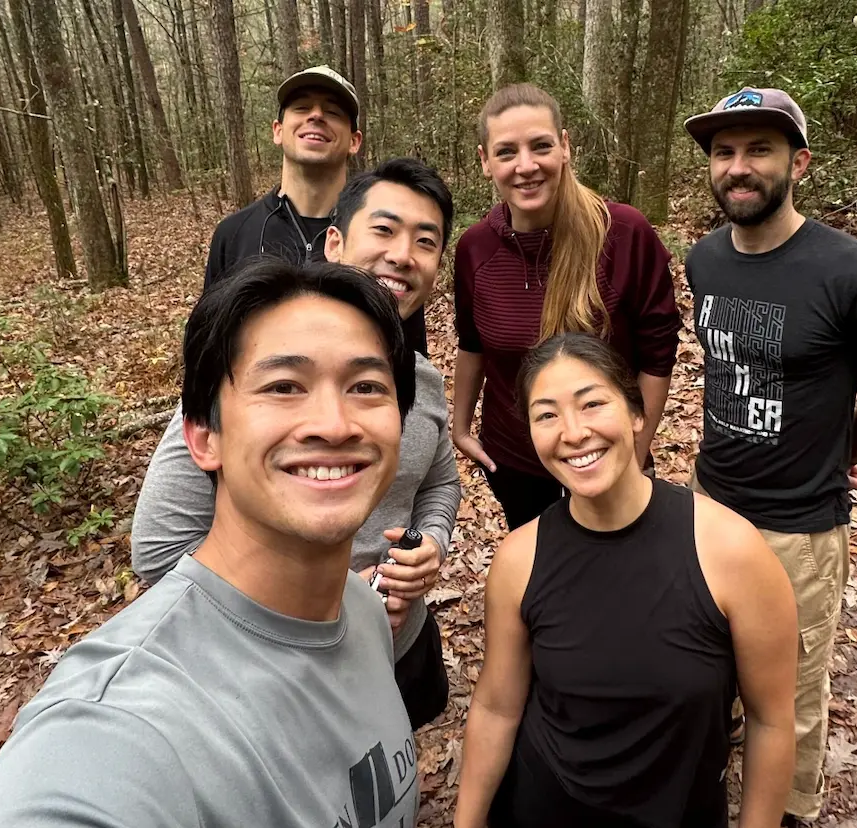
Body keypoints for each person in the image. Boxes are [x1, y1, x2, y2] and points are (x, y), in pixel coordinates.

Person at [0, 260, 442, 828]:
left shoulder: (364, 614)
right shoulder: (101, 749)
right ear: (202, 437)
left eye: (366, 386)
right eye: (283, 386)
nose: (334, 423)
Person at [433, 334, 798, 828]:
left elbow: (774, 720)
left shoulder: (730, 551)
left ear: (636, 413)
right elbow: (496, 704)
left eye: (590, 403)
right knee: (506, 820)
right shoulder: (520, 560)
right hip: (546, 795)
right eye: (546, 414)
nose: (572, 433)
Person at [133, 159, 459, 734]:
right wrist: (313, 607)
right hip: (272, 678)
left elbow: (439, 480)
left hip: (400, 648)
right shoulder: (250, 367)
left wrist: (428, 543)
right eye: (383, 230)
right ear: (334, 240)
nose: (403, 255)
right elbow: (161, 549)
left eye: (425, 241)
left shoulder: (423, 381)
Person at [681, 88, 857, 828]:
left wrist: (834, 454)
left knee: (786, 682)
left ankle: (779, 816)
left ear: (800, 163)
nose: (739, 167)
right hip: (711, 504)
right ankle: (701, 776)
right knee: (704, 657)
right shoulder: (705, 259)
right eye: (724, 152)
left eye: (759, 150)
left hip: (800, 524)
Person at [450, 83, 682, 529]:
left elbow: (657, 356)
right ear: (484, 161)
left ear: (565, 147)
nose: (526, 166)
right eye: (506, 152)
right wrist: (460, 428)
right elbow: (472, 340)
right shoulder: (476, 248)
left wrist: (632, 457)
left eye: (540, 146)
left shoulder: (623, 233)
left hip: (606, 455)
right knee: (543, 577)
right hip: (515, 461)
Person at [203, 66, 427, 356]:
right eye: (302, 107)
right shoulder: (234, 233)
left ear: (354, 141)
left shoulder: (384, 236)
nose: (316, 115)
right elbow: (207, 351)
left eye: (333, 112)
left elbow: (410, 356)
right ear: (278, 131)